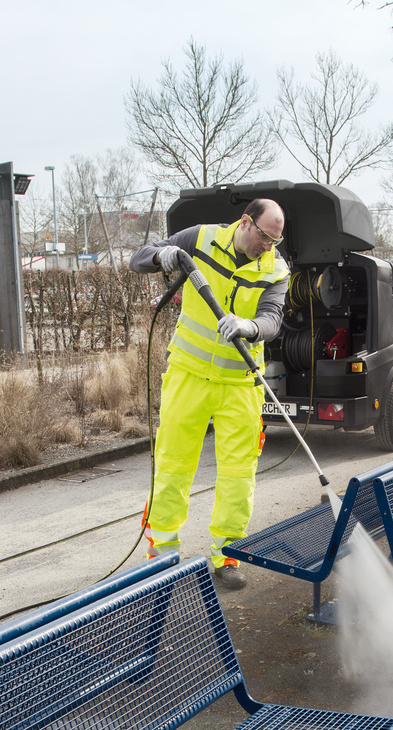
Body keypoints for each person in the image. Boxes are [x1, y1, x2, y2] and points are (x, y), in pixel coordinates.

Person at [129, 199, 289, 589]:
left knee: (239, 475)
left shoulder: (276, 269)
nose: (268, 247)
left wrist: (248, 325)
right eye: (264, 238)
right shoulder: (200, 238)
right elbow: (138, 259)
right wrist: (162, 255)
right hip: (188, 376)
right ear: (246, 222)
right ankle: (162, 554)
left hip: (239, 385)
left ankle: (228, 556)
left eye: (275, 241)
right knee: (172, 464)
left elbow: (272, 319)